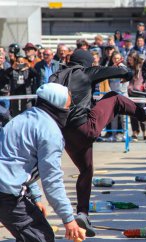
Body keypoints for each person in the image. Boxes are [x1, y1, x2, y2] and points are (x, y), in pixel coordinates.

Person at [53, 49, 146, 237]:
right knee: (114, 97)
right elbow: (123, 74)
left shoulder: (55, 76)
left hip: (64, 135)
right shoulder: (86, 72)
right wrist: (122, 69)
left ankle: (83, 214)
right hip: (85, 128)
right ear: (86, 63)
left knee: (86, 170)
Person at [0, 83, 85, 242]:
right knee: (41, 237)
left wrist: (36, 198)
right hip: (6, 193)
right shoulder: (50, 132)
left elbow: (20, 162)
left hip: (7, 187)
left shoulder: (22, 118)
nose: (69, 110)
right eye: (67, 106)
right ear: (56, 105)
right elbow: (52, 181)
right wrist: (69, 219)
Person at [127, 51, 146, 141]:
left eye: (131, 60)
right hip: (131, 93)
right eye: (128, 60)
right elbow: (130, 81)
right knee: (132, 113)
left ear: (135, 59)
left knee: (142, 112)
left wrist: (145, 85)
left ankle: (144, 131)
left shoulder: (142, 67)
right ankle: (135, 132)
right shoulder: (129, 68)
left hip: (141, 93)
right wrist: (129, 87)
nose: (129, 61)